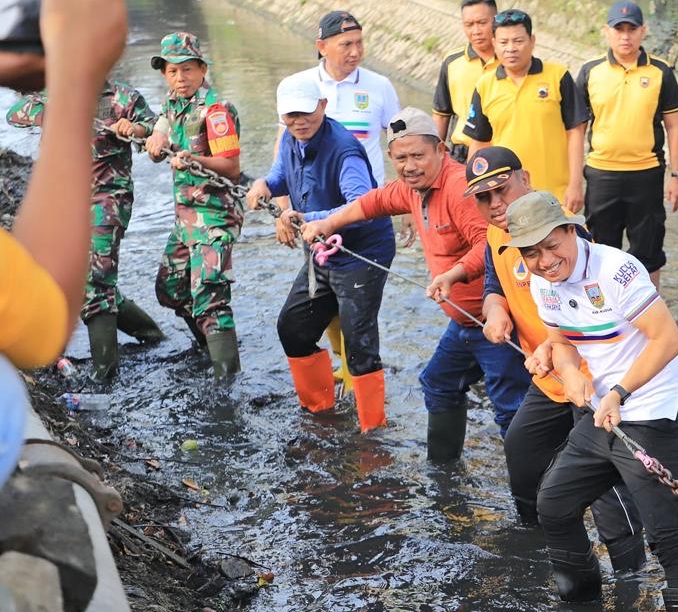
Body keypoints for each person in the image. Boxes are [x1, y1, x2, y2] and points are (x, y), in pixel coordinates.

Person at [430, 146, 646, 565]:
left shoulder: (563, 231)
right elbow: (495, 282)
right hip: (548, 380)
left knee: (601, 481)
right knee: (521, 448)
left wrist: (550, 345)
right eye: (483, 197)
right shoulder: (498, 233)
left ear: (524, 179)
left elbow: (587, 307)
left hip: (590, 378)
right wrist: (495, 313)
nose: (495, 204)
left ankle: (629, 570)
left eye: (501, 190)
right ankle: (542, 543)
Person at [512, 191, 678, 612]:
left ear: (570, 231)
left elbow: (668, 340)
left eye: (551, 246)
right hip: (602, 411)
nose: (545, 261)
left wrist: (619, 390)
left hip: (654, 407)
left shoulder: (617, 269)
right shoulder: (541, 280)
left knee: (668, 532)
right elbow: (562, 341)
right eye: (532, 253)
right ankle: (581, 611)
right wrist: (565, 371)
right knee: (554, 504)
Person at [302, 108, 529, 458]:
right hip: (463, 321)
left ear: (441, 150)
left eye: (419, 156)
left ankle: (531, 495)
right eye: (401, 157)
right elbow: (371, 203)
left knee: (510, 408)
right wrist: (329, 224)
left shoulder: (458, 188)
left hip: (498, 320)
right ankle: (444, 473)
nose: (410, 165)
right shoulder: (412, 188)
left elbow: (490, 243)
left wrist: (453, 273)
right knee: (438, 383)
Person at [0, 0, 129, 486]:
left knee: (110, 282)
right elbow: (43, 326)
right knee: (99, 288)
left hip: (110, 199)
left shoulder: (130, 100)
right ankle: (106, 369)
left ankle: (111, 367)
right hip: (76, 203)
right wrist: (75, 73)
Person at [245, 73, 396, 432]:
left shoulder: (343, 149)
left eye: (306, 113)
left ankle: (372, 429)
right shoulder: (290, 138)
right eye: (290, 115)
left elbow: (361, 205)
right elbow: (281, 176)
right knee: (293, 328)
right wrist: (263, 185)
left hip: (361, 252)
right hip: (322, 249)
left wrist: (305, 217)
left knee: (358, 341)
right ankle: (320, 412)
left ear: (323, 107)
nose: (299, 121)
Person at [7, 79, 165, 381]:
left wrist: (135, 130)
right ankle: (151, 336)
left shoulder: (122, 97)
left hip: (108, 197)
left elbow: (154, 127)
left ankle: (104, 375)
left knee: (96, 278)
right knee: (86, 281)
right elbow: (14, 115)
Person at [144, 31, 244, 378]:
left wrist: (193, 160)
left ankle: (227, 380)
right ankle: (209, 345)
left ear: (202, 69)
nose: (180, 78)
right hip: (185, 218)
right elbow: (162, 133)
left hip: (214, 217)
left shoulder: (216, 111)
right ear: (164, 75)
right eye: (172, 71)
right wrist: (156, 141)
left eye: (187, 70)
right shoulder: (172, 103)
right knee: (170, 289)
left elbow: (231, 167)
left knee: (211, 301)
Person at [576, 0, 678, 291]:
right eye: (618, 29)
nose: (625, 36)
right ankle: (604, 314)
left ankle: (651, 313)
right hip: (601, 174)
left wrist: (676, 175)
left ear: (643, 31)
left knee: (648, 251)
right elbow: (577, 130)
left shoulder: (661, 72)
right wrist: (574, 181)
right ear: (606, 32)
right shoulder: (590, 72)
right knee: (598, 250)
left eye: (632, 29)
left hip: (646, 174)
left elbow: (674, 126)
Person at [462, 9, 589, 211]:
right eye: (503, 42)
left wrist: (575, 184)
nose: (511, 48)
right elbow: (479, 142)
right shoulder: (485, 85)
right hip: (505, 197)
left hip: (554, 195)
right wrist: (473, 189)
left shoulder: (558, 76)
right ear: (494, 43)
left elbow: (575, 131)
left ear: (532, 40)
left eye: (518, 41)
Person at [304, 10, 400, 185]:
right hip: (316, 202)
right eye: (346, 44)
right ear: (322, 47)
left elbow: (402, 142)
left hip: (369, 200)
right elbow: (284, 146)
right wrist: (283, 204)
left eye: (359, 43)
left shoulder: (381, 86)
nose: (356, 52)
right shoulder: (301, 85)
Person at [433, 0, 499, 164]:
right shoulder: (452, 62)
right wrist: (433, 157)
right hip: (462, 152)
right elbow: (441, 114)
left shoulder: (512, 62)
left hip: (502, 151)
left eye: (482, 23)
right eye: (469, 25)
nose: (476, 31)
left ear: (496, 20)